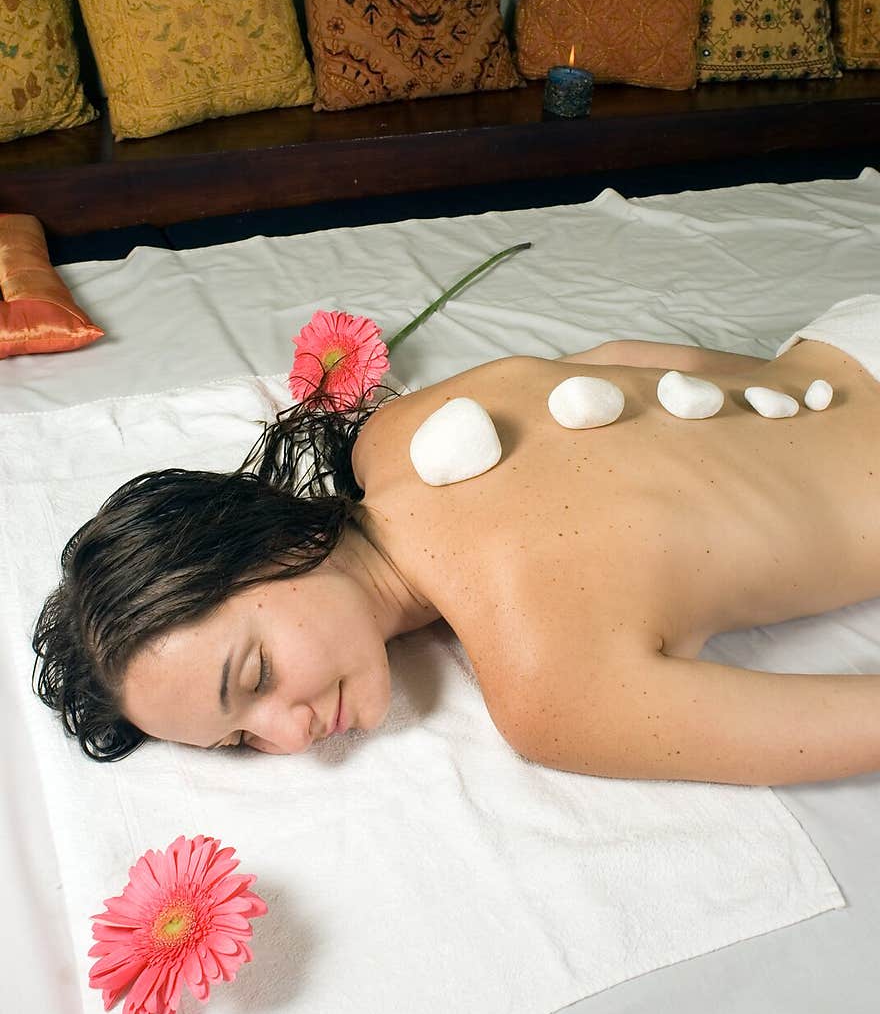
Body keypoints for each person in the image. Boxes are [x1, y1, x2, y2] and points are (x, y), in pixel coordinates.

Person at [32, 297, 880, 786]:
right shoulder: (395, 433)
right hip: (845, 337)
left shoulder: (547, 693)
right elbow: (640, 360)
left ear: (266, 550)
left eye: (254, 678)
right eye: (243, 741)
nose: (288, 738)